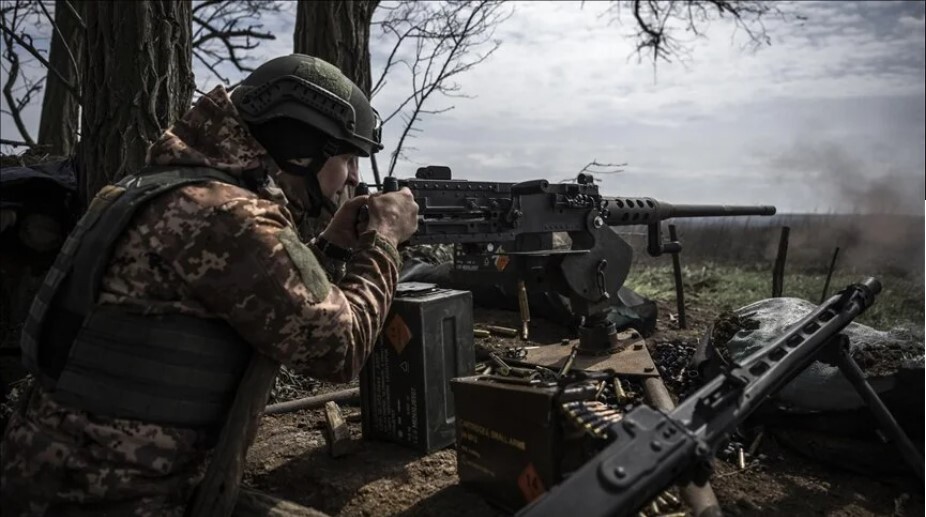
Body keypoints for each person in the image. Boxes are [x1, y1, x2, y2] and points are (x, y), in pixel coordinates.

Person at [0, 53, 419, 516]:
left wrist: (333, 246)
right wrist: (383, 240)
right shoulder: (228, 214)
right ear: (300, 149)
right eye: (347, 158)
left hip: (55, 479)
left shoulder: (161, 187)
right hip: (119, 498)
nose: (354, 177)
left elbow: (265, 299)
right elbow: (340, 348)